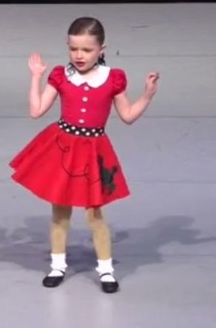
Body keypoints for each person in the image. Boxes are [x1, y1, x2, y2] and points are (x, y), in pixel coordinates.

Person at [10, 17, 159, 293]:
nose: (79, 56)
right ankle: (57, 265)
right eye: (74, 49)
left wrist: (147, 95)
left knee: (95, 214)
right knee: (60, 211)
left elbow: (127, 116)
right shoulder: (60, 76)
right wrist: (36, 78)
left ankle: (105, 269)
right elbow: (36, 110)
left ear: (102, 49)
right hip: (63, 149)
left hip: (93, 152)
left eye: (87, 50)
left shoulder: (113, 79)